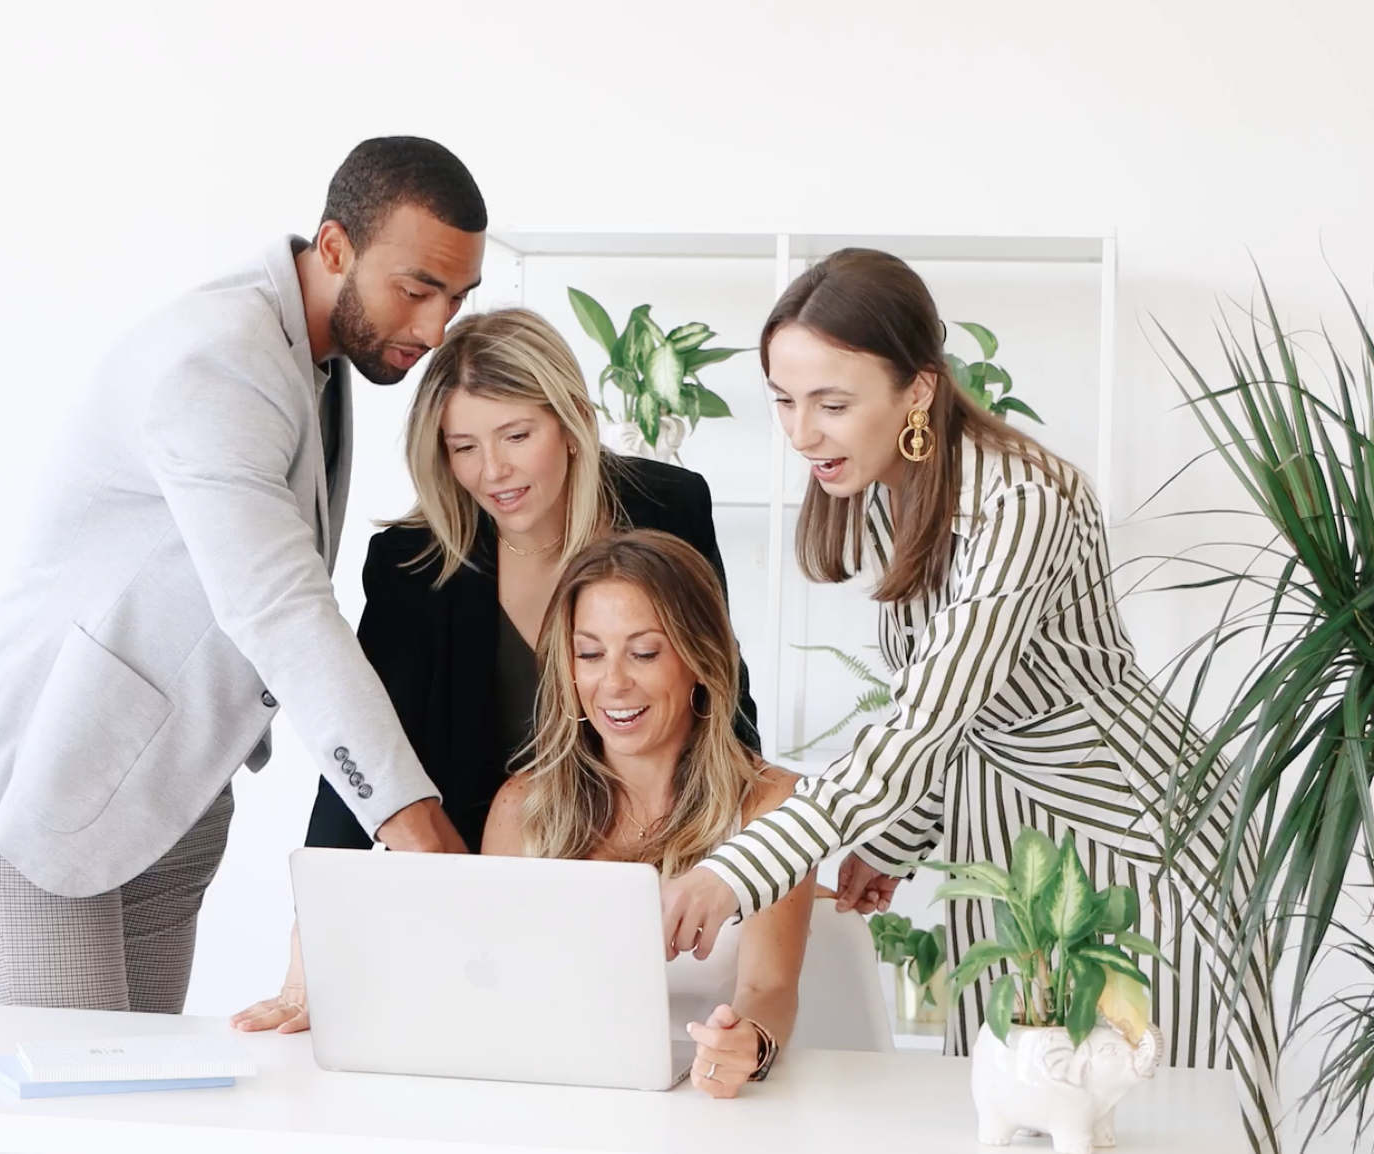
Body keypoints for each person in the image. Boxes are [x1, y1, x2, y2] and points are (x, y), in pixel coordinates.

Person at [654, 249, 1281, 1149]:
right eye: (783, 400)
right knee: (1009, 1114)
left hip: (1137, 849)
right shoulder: (885, 491)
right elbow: (949, 698)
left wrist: (739, 868)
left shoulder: (1023, 502)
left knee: (1137, 1121)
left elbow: (926, 720)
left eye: (831, 403)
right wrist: (898, 838)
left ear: (918, 390)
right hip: (1008, 850)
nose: (802, 433)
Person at [0, 136, 487, 1013]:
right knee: (76, 1116)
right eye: (416, 289)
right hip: (42, 770)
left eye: (458, 297)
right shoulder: (222, 357)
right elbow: (281, 604)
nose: (435, 328)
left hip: (162, 793)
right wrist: (410, 823)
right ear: (335, 249)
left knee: (139, 1107)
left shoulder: (313, 354)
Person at [231, 307, 758, 1032]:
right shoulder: (411, 566)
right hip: (489, 891)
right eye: (464, 446)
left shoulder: (666, 506)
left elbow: (722, 696)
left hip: (651, 879)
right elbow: (364, 748)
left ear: (571, 422)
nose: (493, 471)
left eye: (517, 436)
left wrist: (760, 856)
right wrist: (308, 951)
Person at [485, 531, 811, 1100]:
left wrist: (748, 1044)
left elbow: (769, 986)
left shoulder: (771, 805)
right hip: (558, 1099)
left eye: (644, 652)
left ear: (701, 659)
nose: (612, 682)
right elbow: (491, 981)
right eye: (589, 654)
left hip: (711, 1106)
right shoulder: (522, 807)